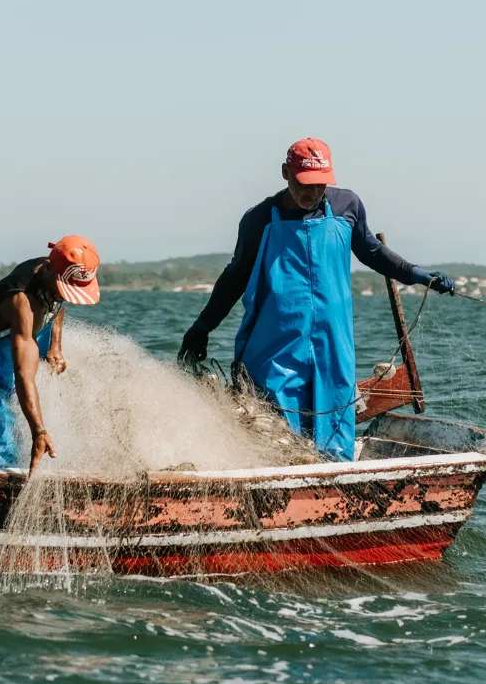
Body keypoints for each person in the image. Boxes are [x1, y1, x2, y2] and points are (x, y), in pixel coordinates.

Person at [177, 138, 453, 461]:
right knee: (276, 445)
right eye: (304, 184)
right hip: (274, 356)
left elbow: (374, 253)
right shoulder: (259, 220)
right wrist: (203, 325)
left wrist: (417, 274)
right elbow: (234, 278)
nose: (312, 193)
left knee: (334, 445)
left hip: (332, 351)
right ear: (285, 174)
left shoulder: (346, 207)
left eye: (320, 184)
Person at [0, 236, 101, 473]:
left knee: (13, 428)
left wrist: (54, 346)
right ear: (48, 270)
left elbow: (59, 302)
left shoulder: (54, 275)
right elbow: (24, 375)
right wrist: (39, 431)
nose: (66, 295)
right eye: (64, 290)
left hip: (10, 347)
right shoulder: (22, 303)